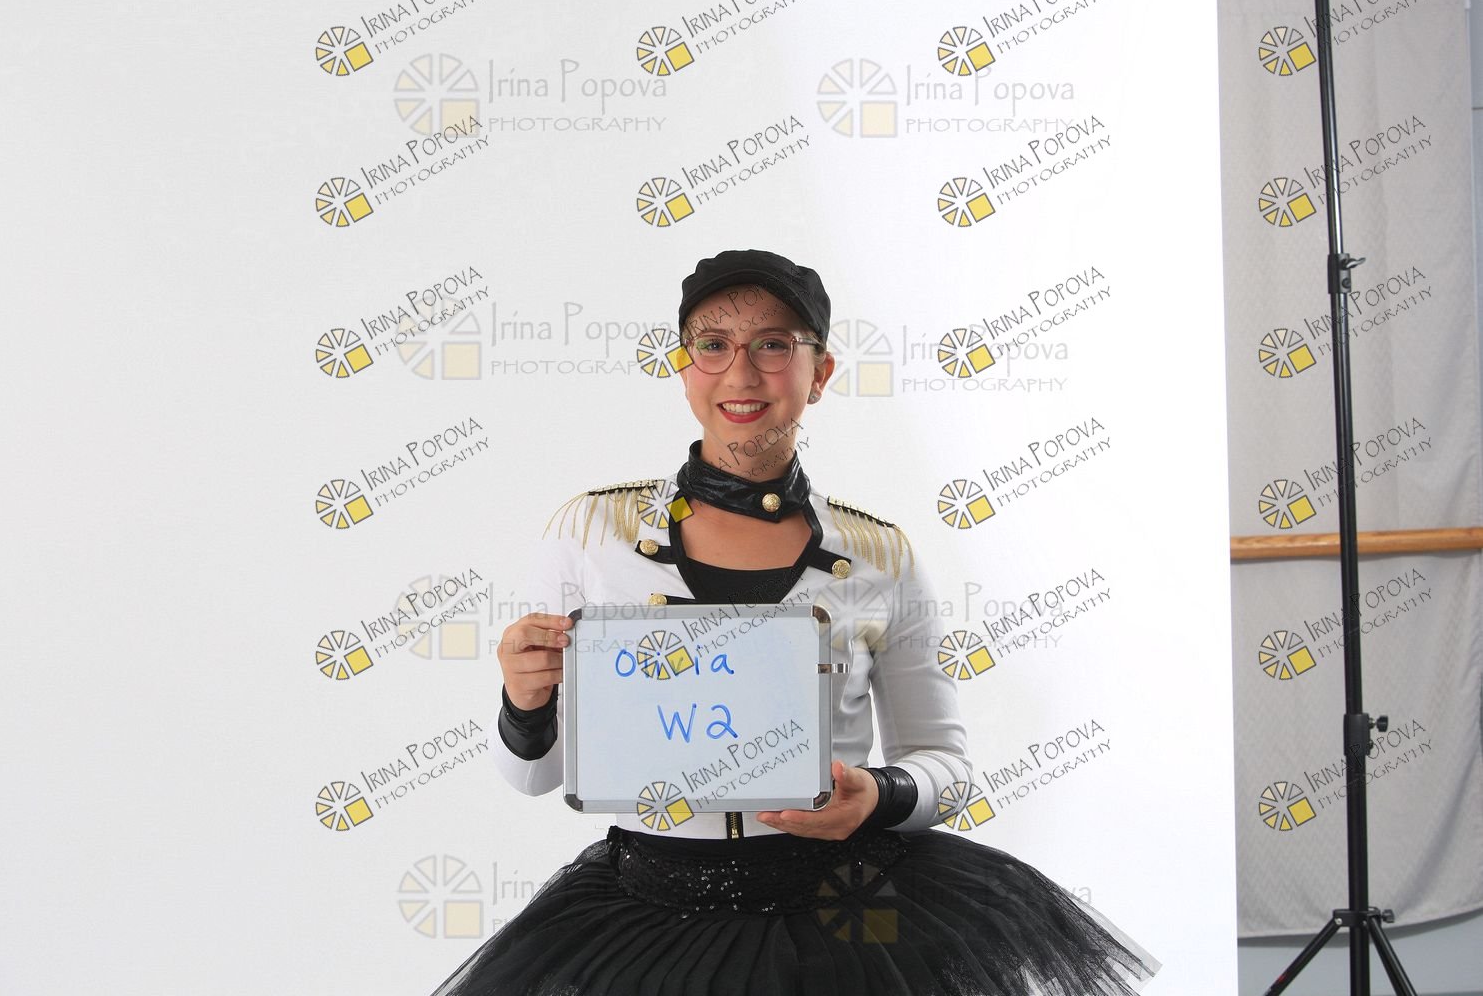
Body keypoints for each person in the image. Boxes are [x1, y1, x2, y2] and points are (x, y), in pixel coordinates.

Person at [429, 249, 1159, 996]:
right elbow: (534, 777)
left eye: (774, 345)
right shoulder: (590, 531)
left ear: (821, 372)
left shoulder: (879, 553)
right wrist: (524, 699)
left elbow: (945, 765)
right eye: (713, 345)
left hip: (844, 920)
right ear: (684, 367)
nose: (741, 373)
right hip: (644, 913)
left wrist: (878, 794)